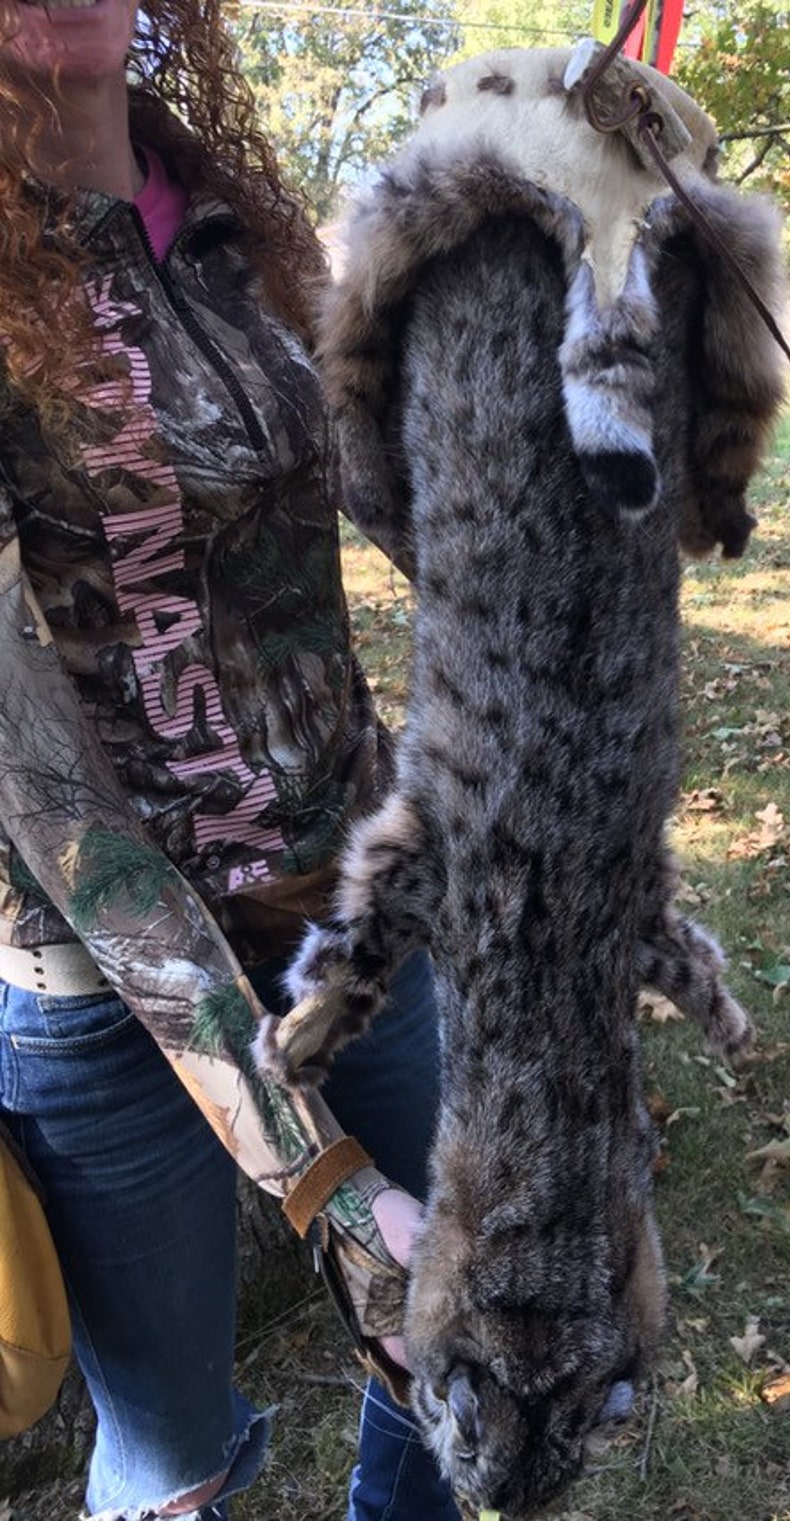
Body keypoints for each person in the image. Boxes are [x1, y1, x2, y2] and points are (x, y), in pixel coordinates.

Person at [0, 3, 461, 1518]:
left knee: (452, 1329)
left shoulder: (231, 228)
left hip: (344, 909)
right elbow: (52, 806)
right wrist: (321, 1187)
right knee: (172, 1458)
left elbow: (418, 497)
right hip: (101, 984)